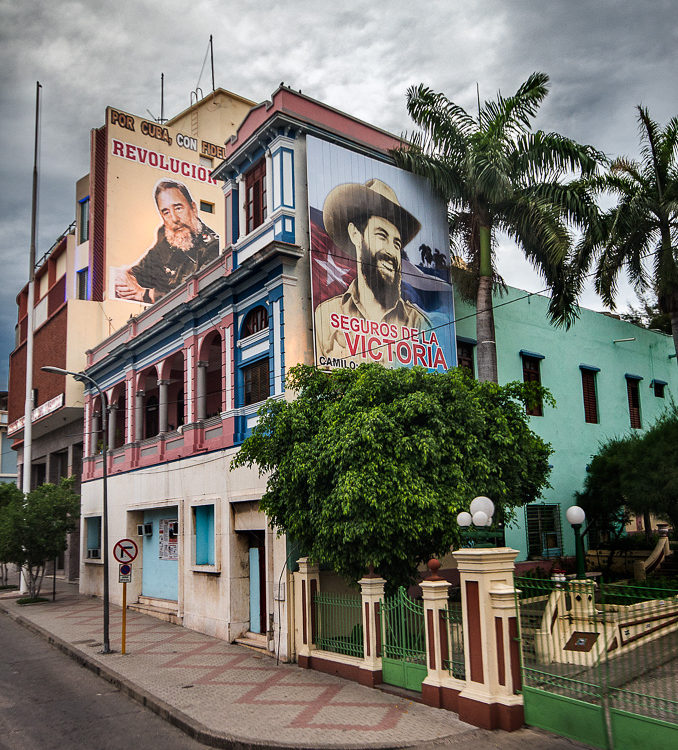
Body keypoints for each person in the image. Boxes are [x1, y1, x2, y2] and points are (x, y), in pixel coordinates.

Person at [314, 178, 430, 360]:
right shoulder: (327, 314)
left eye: (397, 244)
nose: (391, 251)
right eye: (381, 236)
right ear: (355, 235)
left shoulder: (417, 323)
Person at [115, 180, 219, 303]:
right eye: (166, 212)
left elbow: (196, 295)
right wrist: (124, 278)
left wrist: (145, 294)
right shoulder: (166, 236)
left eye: (178, 208)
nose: (174, 219)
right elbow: (141, 271)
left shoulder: (212, 247)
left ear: (193, 208)